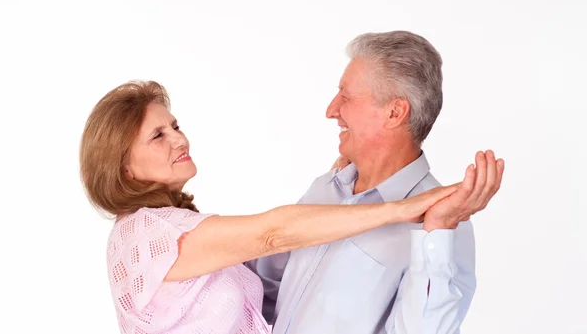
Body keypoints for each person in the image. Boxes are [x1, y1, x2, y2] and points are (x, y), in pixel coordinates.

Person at [79, 80, 493, 334]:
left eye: (175, 126)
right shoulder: (149, 235)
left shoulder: (176, 227)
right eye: (157, 136)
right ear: (126, 170)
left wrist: (332, 189)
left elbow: (270, 278)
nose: (179, 140)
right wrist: (402, 209)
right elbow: (270, 234)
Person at [246, 31, 505, 334]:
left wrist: (439, 230)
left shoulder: (443, 229)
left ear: (394, 112)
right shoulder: (325, 189)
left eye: (346, 96)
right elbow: (259, 289)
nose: (331, 110)